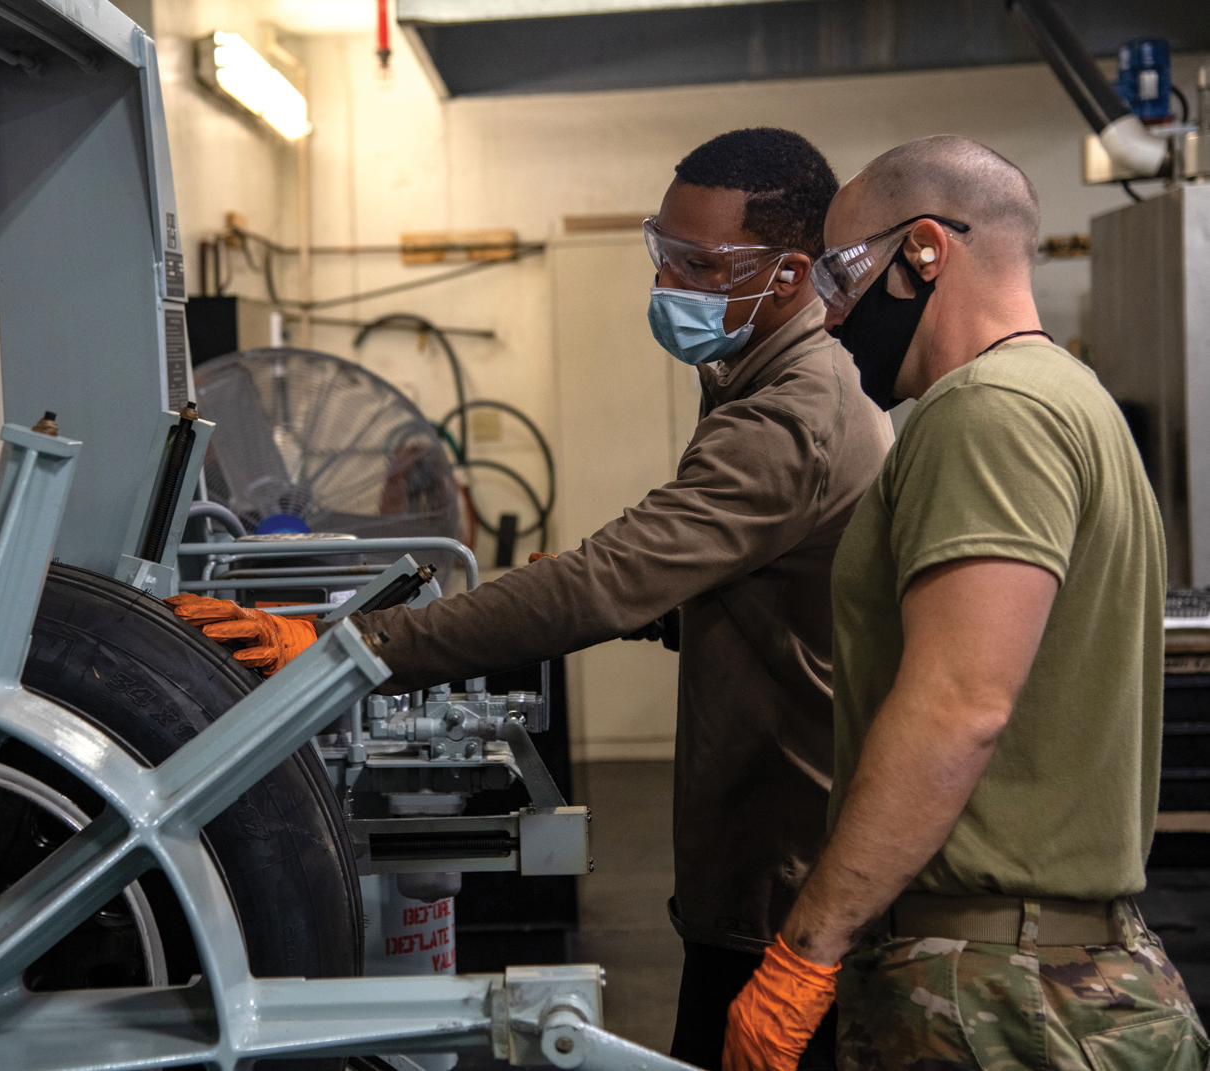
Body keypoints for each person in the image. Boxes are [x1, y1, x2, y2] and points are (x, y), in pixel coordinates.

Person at [169, 127, 893, 1069]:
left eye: (699, 264)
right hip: (761, 857)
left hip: (781, 884)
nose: (669, 282)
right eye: (660, 251)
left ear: (791, 272)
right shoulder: (765, 377)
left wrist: (338, 645)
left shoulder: (788, 415)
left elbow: (599, 582)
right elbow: (785, 590)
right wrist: (667, 603)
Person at [721, 135, 1207, 1071]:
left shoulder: (986, 412)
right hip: (1046, 968)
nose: (827, 317)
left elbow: (958, 706)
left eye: (842, 275)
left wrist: (804, 950)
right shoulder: (1074, 400)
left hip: (988, 990)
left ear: (926, 252)